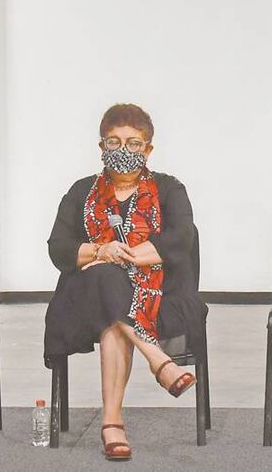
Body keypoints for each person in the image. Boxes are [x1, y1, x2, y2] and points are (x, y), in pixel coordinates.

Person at [44, 103, 207, 462]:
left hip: (158, 296)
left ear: (148, 149)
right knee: (105, 276)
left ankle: (112, 422)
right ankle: (158, 360)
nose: (124, 151)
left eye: (134, 143)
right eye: (114, 142)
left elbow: (182, 239)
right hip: (82, 300)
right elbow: (58, 248)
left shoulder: (169, 188)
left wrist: (131, 255)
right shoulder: (81, 191)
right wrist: (101, 250)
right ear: (101, 147)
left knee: (113, 307)